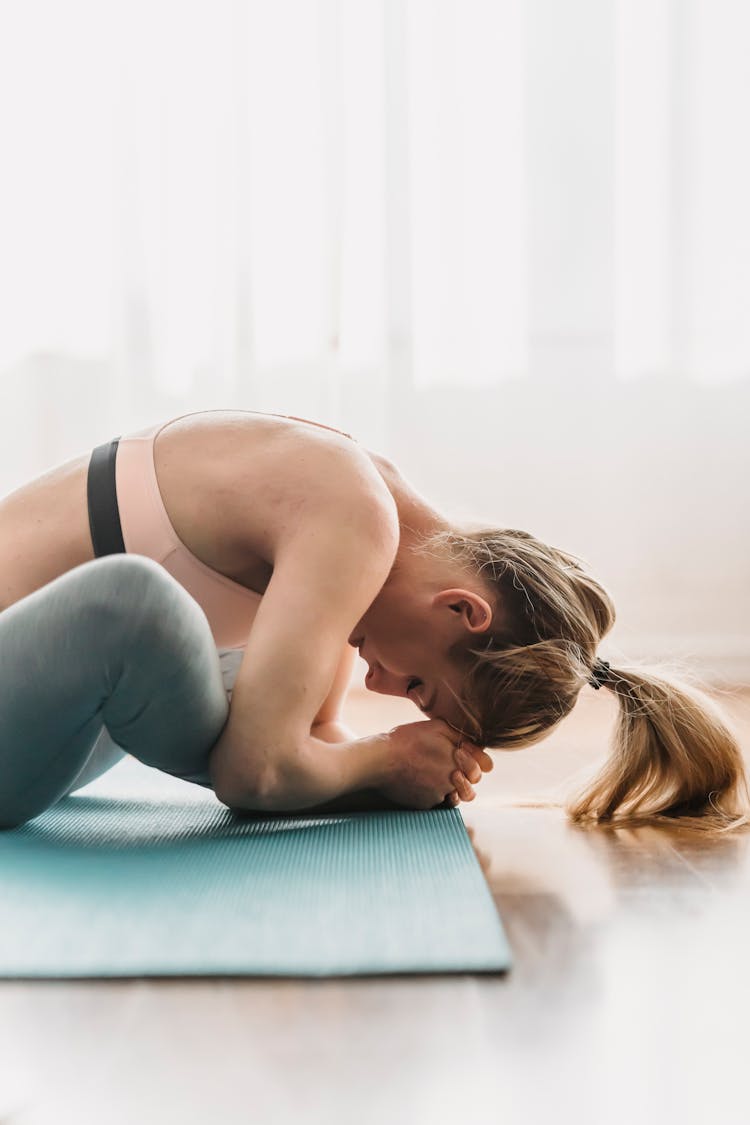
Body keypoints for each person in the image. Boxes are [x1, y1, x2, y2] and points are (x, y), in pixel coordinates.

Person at [0, 408, 746, 833]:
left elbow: (307, 735)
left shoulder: (367, 522)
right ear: (462, 609)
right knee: (141, 606)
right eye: (420, 682)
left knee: (245, 689)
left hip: (42, 727)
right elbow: (253, 767)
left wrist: (379, 769)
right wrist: (385, 761)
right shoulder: (352, 513)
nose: (381, 683)